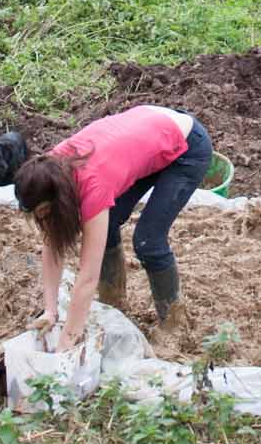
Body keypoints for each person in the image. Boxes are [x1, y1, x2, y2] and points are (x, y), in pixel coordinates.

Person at [14, 104, 213, 354]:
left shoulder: (93, 184)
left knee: (148, 241)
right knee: (106, 227)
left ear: (56, 200)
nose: (43, 220)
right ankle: (114, 305)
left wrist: (67, 341)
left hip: (186, 146)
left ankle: (173, 324)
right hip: (146, 134)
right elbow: (51, 243)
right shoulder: (48, 169)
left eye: (43, 212)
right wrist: (50, 310)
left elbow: (87, 277)